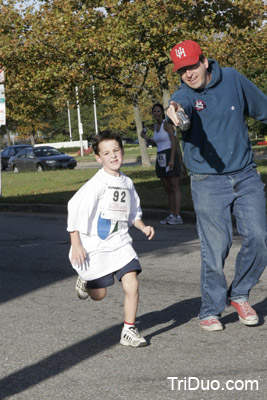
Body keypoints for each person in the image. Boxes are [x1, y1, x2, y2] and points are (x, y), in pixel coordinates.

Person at [167, 39, 267, 331]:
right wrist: (175, 111)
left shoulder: (233, 79)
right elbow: (178, 104)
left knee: (260, 237)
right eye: (182, 69)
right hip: (208, 182)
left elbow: (263, 108)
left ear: (205, 61)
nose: (188, 73)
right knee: (216, 246)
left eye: (192, 66)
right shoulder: (184, 94)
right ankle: (210, 309)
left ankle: (239, 294)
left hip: (246, 175)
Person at [67, 131, 155, 347]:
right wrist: (76, 243)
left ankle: (129, 330)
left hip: (121, 243)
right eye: (107, 153)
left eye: (116, 151)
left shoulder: (128, 182)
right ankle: (85, 279)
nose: (113, 156)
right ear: (98, 158)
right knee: (99, 295)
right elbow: (74, 208)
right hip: (95, 246)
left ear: (122, 152)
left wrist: (143, 227)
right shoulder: (96, 184)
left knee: (131, 283)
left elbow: (133, 212)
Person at [141, 103, 183, 225]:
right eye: (154, 111)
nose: (156, 113)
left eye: (158, 111)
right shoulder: (155, 127)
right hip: (160, 157)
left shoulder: (167, 125)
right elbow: (156, 143)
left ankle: (178, 215)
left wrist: (172, 159)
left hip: (170, 155)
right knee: (168, 188)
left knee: (174, 186)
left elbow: (173, 142)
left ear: (162, 112)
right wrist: (146, 138)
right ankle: (171, 214)